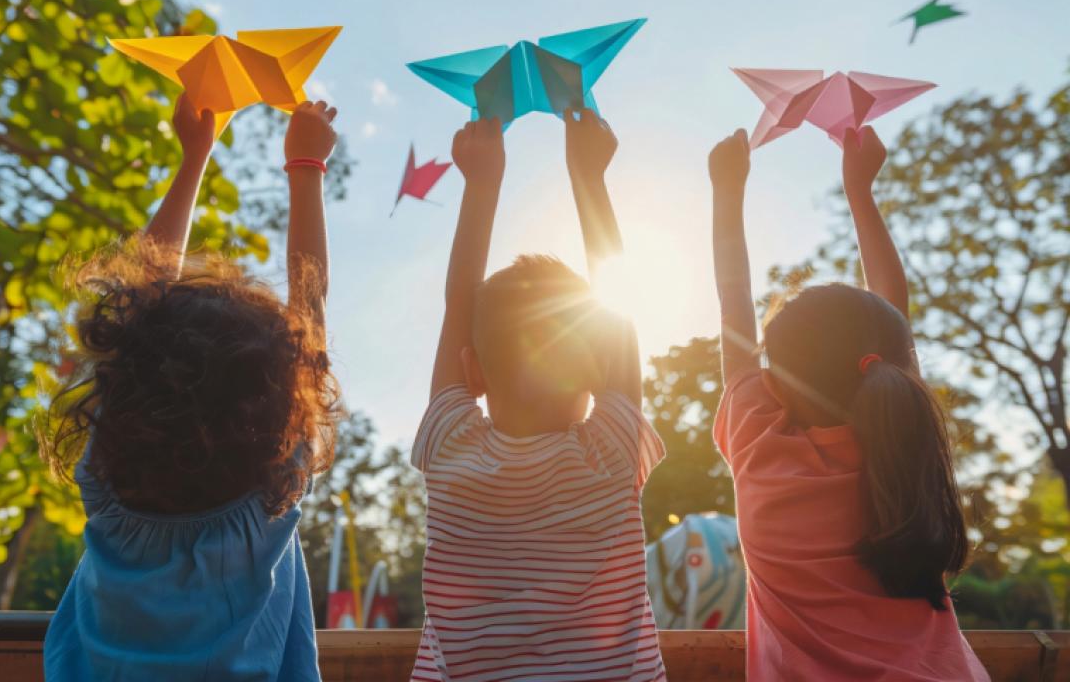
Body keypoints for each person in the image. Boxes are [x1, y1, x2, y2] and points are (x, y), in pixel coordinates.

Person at [39, 95, 343, 681]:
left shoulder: (104, 484)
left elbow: (140, 299)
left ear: (127, 378)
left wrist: (193, 157)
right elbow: (312, 305)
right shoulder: (270, 493)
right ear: (279, 397)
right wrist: (306, 169)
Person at [707, 125, 988, 680]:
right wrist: (860, 189)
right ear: (890, 361)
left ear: (778, 383)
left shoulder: (760, 449)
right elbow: (890, 322)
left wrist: (727, 191)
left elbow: (734, 301)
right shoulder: (907, 446)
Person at [410, 110, 667, 681]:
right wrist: (589, 176)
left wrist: (481, 184)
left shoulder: (451, 448)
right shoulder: (612, 455)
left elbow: (458, 307)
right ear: (598, 365)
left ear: (472, 372)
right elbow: (619, 303)